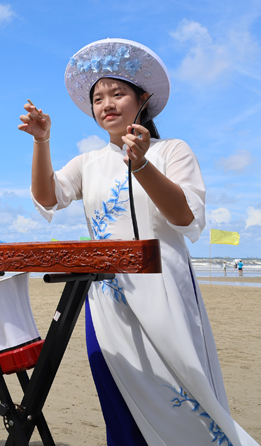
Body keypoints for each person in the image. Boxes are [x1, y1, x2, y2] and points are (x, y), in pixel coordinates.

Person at [19, 38, 257, 445]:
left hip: (165, 290)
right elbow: (47, 197)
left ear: (142, 99)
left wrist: (143, 164)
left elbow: (184, 216)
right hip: (106, 300)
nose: (107, 104)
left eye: (118, 93)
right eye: (98, 98)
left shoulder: (172, 151)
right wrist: (42, 142)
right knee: (119, 407)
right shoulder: (87, 162)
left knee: (185, 393)